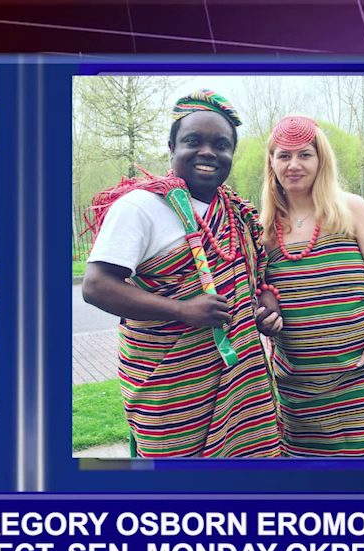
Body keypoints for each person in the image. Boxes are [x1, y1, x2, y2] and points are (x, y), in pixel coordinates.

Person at [81, 89, 283, 458]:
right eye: (193, 141)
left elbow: (255, 273)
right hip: (170, 389)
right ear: (172, 147)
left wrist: (265, 301)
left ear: (231, 156)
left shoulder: (236, 211)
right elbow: (96, 286)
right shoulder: (142, 207)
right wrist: (182, 310)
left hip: (241, 384)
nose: (208, 152)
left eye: (221, 145)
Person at [258, 115, 364, 457]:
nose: (294, 164)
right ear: (271, 163)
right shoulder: (264, 227)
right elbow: (261, 294)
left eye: (305, 155)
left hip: (359, 370)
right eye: (284, 155)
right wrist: (266, 312)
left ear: (321, 159)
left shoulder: (350, 209)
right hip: (299, 380)